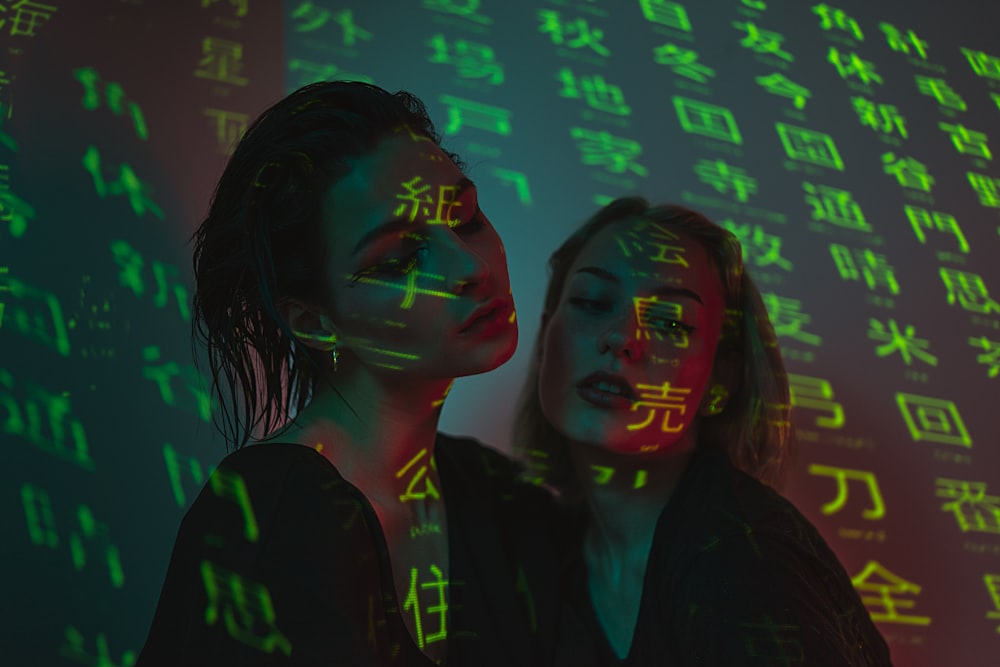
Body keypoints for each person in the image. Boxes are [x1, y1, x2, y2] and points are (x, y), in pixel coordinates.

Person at [137, 81, 558, 666]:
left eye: (465, 219)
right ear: (314, 320)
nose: (469, 267)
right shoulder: (268, 513)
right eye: (399, 260)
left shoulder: (487, 492)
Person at [513, 197, 893, 665]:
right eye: (592, 302)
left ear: (721, 381)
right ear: (546, 338)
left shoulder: (744, 559)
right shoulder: (544, 558)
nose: (622, 336)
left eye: (671, 323)